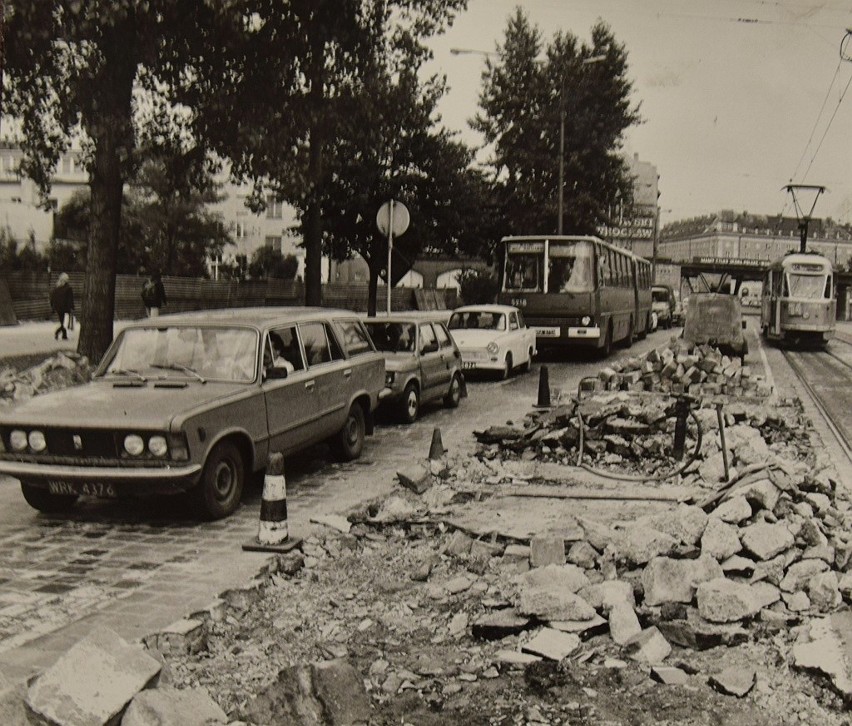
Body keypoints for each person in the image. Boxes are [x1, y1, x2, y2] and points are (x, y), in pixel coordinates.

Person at [49, 273, 75, 340]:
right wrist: (72, 307)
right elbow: (70, 299)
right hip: (66, 308)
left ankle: (64, 335)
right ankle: (58, 332)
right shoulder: (68, 288)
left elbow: (52, 298)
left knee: (62, 321)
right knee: (65, 323)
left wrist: (53, 307)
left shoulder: (56, 288)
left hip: (58, 308)